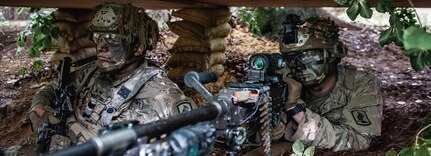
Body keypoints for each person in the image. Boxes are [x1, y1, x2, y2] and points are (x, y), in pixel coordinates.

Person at [28, 2, 195, 153]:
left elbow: (192, 142)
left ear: (137, 47)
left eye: (111, 40)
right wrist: (39, 108)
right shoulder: (91, 72)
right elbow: (52, 89)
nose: (101, 47)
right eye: (97, 38)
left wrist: (69, 125)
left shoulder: (163, 95)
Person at [246, 16, 383, 155]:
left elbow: (359, 141)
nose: (298, 66)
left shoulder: (359, 83)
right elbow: (251, 137)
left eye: (307, 56)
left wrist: (295, 109)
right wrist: (270, 129)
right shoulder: (283, 81)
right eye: (290, 59)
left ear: (331, 54)